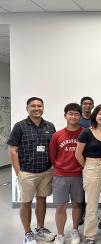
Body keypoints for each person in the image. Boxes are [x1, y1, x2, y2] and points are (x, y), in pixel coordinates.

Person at [7, 97, 56, 244]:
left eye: (39, 106)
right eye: (33, 106)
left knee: (42, 200)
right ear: (27, 108)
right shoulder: (19, 126)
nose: (36, 108)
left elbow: (54, 148)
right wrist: (18, 172)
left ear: (43, 108)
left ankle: (40, 229)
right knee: (26, 202)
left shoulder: (50, 126)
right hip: (27, 172)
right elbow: (13, 150)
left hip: (46, 171)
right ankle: (28, 233)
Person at [75, 105, 101, 244]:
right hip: (92, 167)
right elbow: (78, 154)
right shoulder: (86, 132)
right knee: (92, 204)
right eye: (100, 113)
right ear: (95, 115)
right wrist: (88, 167)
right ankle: (90, 235)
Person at [49, 103, 84, 244]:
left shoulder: (85, 133)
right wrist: (59, 167)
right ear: (65, 116)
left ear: (80, 116)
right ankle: (60, 235)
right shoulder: (57, 135)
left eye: (76, 114)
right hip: (61, 175)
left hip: (79, 175)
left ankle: (75, 231)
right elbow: (53, 156)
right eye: (70, 113)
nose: (73, 116)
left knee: (77, 204)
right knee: (60, 206)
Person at [79, 96, 94, 226]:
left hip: (93, 158)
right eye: (85, 103)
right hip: (79, 158)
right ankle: (81, 213)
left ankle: (93, 214)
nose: (87, 106)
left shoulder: (95, 120)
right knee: (80, 189)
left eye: (90, 104)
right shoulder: (77, 120)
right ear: (81, 105)